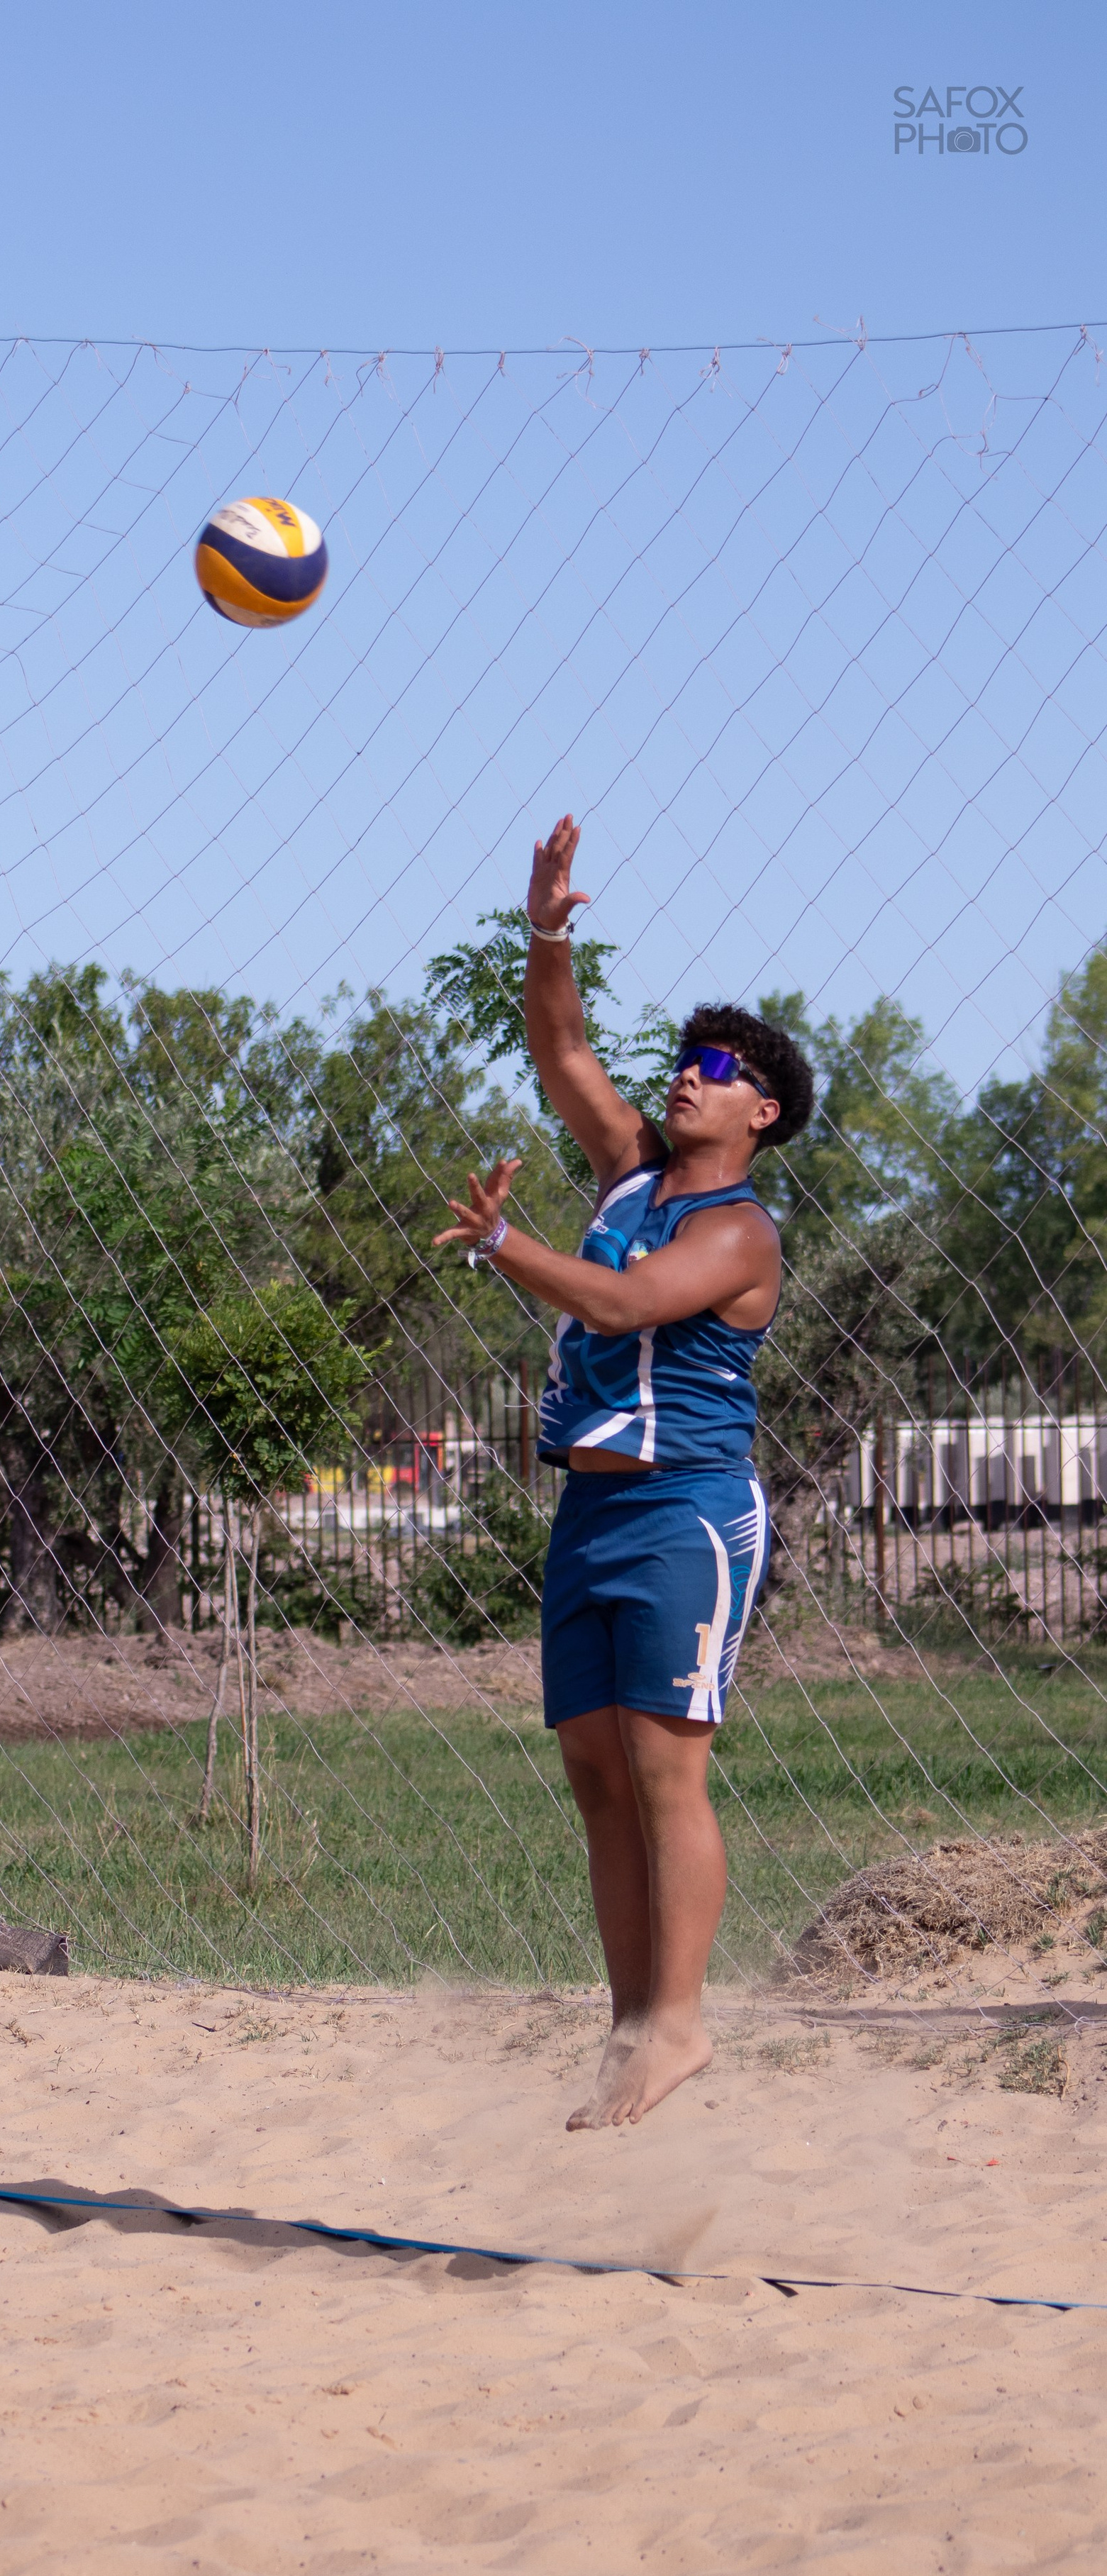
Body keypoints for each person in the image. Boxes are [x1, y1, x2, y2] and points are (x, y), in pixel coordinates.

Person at [434, 815, 815, 2128]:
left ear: (762, 1111)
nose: (688, 1079)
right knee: (597, 1777)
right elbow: (562, 1048)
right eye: (686, 1062)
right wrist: (547, 929)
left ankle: (680, 2025)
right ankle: (629, 2029)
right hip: (590, 1509)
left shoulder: (739, 1230)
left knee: (665, 1775)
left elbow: (622, 1304)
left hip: (685, 1512)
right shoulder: (630, 1173)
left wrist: (504, 1246)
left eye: (717, 1070)